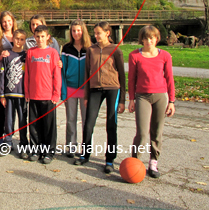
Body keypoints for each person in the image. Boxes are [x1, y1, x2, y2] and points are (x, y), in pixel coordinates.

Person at [75, 21, 126, 174]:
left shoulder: (115, 50)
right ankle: (85, 154)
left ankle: (109, 160)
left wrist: (122, 99)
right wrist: (86, 94)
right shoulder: (91, 50)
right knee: (88, 123)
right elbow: (87, 73)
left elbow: (122, 76)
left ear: (107, 33)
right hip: (95, 89)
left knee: (111, 125)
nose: (96, 36)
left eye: (99, 33)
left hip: (112, 89)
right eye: (95, 33)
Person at [128, 25, 175, 179]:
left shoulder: (165, 56)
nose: (149, 41)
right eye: (146, 38)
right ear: (142, 39)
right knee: (142, 132)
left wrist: (172, 101)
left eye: (152, 38)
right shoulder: (135, 55)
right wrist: (131, 99)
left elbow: (169, 79)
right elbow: (132, 79)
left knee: (157, 131)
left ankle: (153, 162)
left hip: (160, 96)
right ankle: (135, 161)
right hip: (142, 96)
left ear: (157, 38)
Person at [24, 25, 61, 164]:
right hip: (33, 95)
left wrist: (56, 94)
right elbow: (27, 73)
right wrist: (27, 92)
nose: (40, 39)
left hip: (48, 96)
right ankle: (35, 150)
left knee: (48, 126)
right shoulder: (30, 52)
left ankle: (48, 152)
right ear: (34, 37)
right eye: (37, 36)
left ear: (48, 37)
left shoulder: (52, 53)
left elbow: (57, 75)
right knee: (34, 125)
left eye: (43, 36)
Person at [61, 20, 91, 157]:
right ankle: (71, 146)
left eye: (78, 30)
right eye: (73, 31)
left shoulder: (89, 48)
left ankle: (86, 147)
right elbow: (63, 70)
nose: (76, 33)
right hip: (71, 88)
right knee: (71, 119)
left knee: (87, 120)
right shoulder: (67, 48)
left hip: (86, 90)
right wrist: (63, 91)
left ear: (83, 31)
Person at [0, 29, 29, 159]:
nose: (19, 41)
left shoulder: (27, 56)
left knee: (23, 121)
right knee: (8, 120)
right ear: (13, 39)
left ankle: (23, 144)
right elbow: (2, 75)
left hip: (22, 94)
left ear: (24, 41)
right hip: (9, 94)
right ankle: (8, 143)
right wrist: (1, 94)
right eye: (17, 38)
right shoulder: (7, 55)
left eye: (22, 39)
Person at [0, 11, 18, 143]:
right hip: (1, 74)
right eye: (4, 22)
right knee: (1, 107)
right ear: (1, 24)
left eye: (9, 21)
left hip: (16, 75)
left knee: (12, 109)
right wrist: (2, 56)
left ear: (13, 21)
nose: (7, 24)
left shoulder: (19, 36)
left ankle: (10, 136)